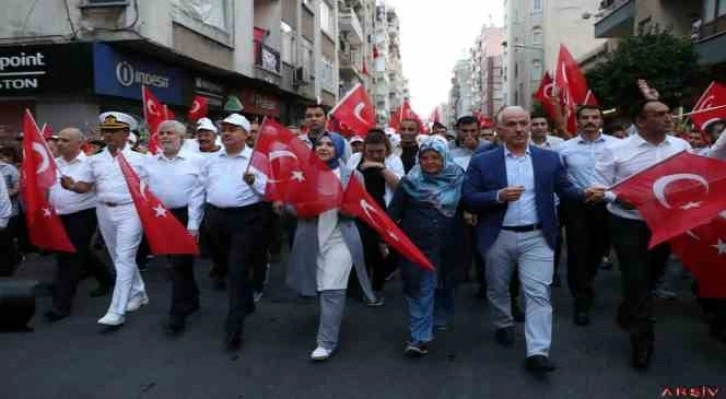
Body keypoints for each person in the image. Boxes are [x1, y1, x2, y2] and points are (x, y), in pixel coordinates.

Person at [463, 106, 602, 375]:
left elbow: (566, 189)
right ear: (500, 130)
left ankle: (538, 351)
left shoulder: (548, 159)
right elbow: (468, 197)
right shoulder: (483, 161)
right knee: (498, 287)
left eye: (523, 123)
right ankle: (503, 322)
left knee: (538, 293)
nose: (518, 129)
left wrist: (586, 193)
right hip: (498, 236)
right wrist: (497, 196)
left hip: (538, 236)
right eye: (512, 124)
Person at [594, 100, 691, 369]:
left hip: (665, 224)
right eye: (659, 114)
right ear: (640, 121)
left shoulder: (681, 147)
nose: (667, 117)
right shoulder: (616, 150)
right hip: (629, 224)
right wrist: (617, 197)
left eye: (667, 112)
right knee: (636, 278)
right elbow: (600, 185)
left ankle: (629, 309)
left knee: (651, 277)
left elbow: (690, 177)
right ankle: (642, 342)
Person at [285, 133, 375, 361]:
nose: (323, 147)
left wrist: (349, 211)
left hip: (341, 239)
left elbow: (360, 208)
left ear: (338, 148)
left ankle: (326, 342)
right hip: (311, 238)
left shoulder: (353, 176)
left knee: (332, 290)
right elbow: (289, 205)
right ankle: (327, 322)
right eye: (320, 144)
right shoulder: (303, 174)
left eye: (329, 144)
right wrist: (305, 208)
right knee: (317, 285)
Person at [61, 112, 150, 328]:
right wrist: (72, 185)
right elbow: (86, 186)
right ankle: (138, 293)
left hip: (130, 211)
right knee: (118, 255)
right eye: (105, 131)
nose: (108, 136)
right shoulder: (94, 160)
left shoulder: (141, 159)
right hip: (104, 211)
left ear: (126, 133)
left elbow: (150, 190)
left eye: (113, 132)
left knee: (124, 257)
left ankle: (116, 310)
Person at [389, 137, 465, 356]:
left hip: (450, 244)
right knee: (419, 289)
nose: (430, 162)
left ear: (445, 158)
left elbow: (469, 203)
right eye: (425, 158)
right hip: (417, 247)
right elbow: (394, 212)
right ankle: (418, 338)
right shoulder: (409, 182)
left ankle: (440, 316)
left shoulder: (458, 178)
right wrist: (385, 238)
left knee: (445, 284)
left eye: (435, 157)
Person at [203, 113, 267, 352]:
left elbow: (268, 192)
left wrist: (254, 182)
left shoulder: (257, 159)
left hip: (245, 220)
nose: (227, 133)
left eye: (233, 129)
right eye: (224, 129)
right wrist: (195, 223)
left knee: (237, 271)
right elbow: (201, 189)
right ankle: (246, 300)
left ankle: (234, 326)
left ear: (245, 134)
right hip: (215, 220)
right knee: (226, 267)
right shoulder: (212, 159)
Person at [556, 106, 619, 326]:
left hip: (607, 205)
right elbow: (560, 178)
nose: (590, 121)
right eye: (585, 117)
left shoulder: (617, 145)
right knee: (577, 253)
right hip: (578, 206)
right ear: (578, 121)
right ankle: (581, 299)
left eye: (595, 117)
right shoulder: (564, 149)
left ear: (601, 120)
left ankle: (588, 281)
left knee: (599, 251)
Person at [45, 128, 114, 322]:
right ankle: (107, 279)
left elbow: (87, 187)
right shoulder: (53, 164)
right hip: (58, 215)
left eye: (65, 140)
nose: (59, 143)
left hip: (82, 215)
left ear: (79, 143)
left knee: (70, 258)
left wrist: (74, 186)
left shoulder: (90, 163)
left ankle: (61, 304)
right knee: (80, 253)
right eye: (59, 140)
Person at [146, 120, 205, 336]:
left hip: (185, 216)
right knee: (178, 264)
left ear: (180, 137)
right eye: (161, 133)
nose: (164, 137)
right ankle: (193, 299)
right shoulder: (150, 162)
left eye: (169, 133)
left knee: (178, 266)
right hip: (161, 217)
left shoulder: (196, 161)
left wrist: (193, 225)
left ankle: (177, 315)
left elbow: (198, 196)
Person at [346, 130, 404, 305]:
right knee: (359, 248)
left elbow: (400, 186)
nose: (375, 155)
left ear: (386, 149)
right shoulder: (355, 159)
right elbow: (346, 182)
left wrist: (381, 168)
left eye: (380, 151)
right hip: (360, 211)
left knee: (380, 252)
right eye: (371, 152)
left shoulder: (393, 160)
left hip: (383, 212)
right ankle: (357, 286)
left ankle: (377, 288)